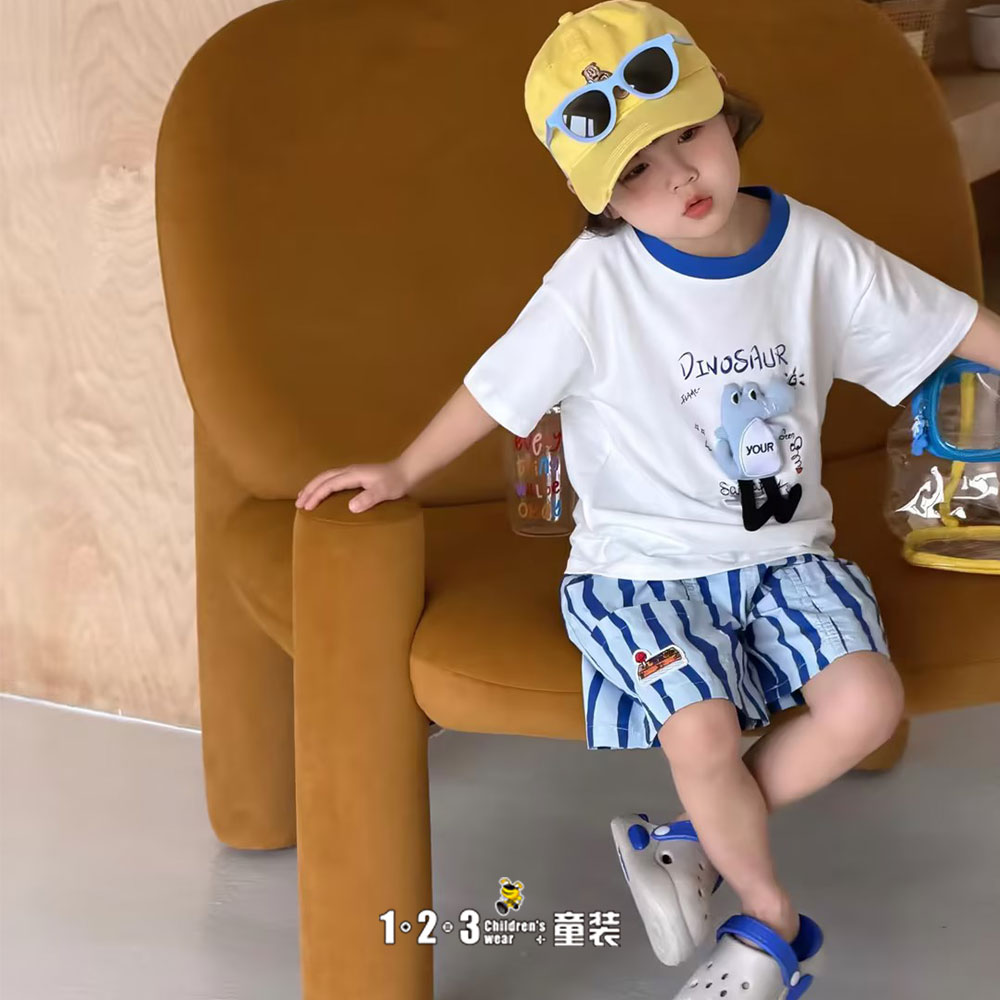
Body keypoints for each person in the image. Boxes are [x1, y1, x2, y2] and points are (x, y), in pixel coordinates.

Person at [295, 2, 1000, 995]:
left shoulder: (811, 247)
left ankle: (688, 837)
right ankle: (769, 926)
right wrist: (403, 470)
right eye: (635, 170)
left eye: (688, 138)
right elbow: (498, 385)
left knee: (868, 704)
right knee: (700, 731)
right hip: (639, 570)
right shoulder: (593, 282)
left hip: (787, 556)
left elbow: (942, 320)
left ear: (727, 115)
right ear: (600, 197)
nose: (678, 178)